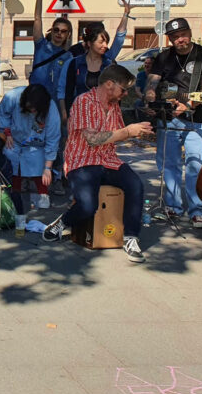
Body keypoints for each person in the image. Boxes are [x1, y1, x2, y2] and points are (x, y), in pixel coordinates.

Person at [43, 65, 153, 263]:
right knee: (87, 205)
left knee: (135, 185)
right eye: (123, 89)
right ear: (109, 84)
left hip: (108, 160)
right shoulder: (83, 101)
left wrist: (138, 129)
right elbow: (93, 139)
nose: (125, 94)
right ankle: (62, 223)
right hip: (82, 159)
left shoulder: (114, 105)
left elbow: (116, 134)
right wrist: (128, 131)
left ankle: (131, 238)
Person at [144, 18, 202, 229]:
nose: (180, 39)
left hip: (196, 119)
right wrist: (150, 99)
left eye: (183, 34)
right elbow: (152, 83)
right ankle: (173, 207)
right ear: (170, 39)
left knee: (195, 165)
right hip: (168, 118)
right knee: (170, 165)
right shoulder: (164, 57)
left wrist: (187, 103)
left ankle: (197, 211)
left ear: (190, 33)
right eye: (175, 37)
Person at [0, 84, 61, 224]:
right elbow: (3, 114)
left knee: (39, 160)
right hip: (15, 138)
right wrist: (7, 133)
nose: (31, 111)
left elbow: (53, 139)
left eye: (35, 109)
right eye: (29, 108)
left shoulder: (51, 109)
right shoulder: (12, 97)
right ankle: (14, 191)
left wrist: (48, 168)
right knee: (10, 155)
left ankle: (43, 192)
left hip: (38, 143)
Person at [57, 0, 132, 115]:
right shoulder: (74, 59)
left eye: (106, 41)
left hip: (104, 116)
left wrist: (126, 14)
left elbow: (119, 38)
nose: (105, 46)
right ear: (89, 42)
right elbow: (66, 90)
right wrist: (65, 112)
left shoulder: (109, 62)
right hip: (81, 115)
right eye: (101, 41)